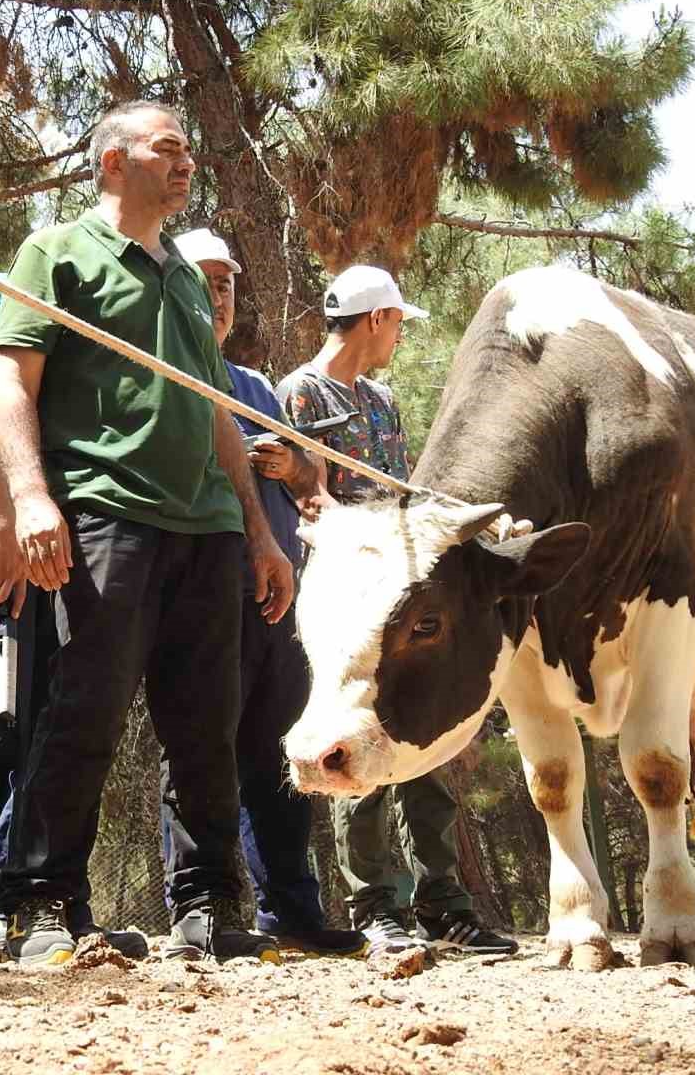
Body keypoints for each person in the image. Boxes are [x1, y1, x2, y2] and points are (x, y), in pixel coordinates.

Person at [0, 100, 295, 966]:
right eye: (168, 149)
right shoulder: (53, 253)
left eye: (189, 150)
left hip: (205, 530)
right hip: (103, 513)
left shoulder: (190, 279)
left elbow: (216, 413)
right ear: (112, 164)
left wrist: (259, 535)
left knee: (208, 725)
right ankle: (46, 905)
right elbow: (14, 384)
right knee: (81, 709)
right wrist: (31, 498)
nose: (187, 163)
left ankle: (208, 909)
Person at [276, 264, 518, 957]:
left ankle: (444, 903)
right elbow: (307, 495)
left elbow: (408, 494)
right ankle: (376, 904)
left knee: (422, 744)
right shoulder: (298, 393)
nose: (397, 339)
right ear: (376, 319)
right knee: (351, 738)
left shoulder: (380, 400)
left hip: (402, 591)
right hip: (343, 601)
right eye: (396, 325)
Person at [0, 275, 147, 961]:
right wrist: (3, 523)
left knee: (63, 720)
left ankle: (58, 901)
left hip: (57, 543)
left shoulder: (66, 320)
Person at [168, 227, 364, 958]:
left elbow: (316, 484)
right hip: (202, 584)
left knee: (285, 754)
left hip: (281, 597)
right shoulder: (156, 367)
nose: (217, 296)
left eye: (226, 284)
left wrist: (291, 467)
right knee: (201, 747)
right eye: (203, 281)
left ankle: (293, 911)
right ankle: (203, 909)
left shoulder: (253, 385)